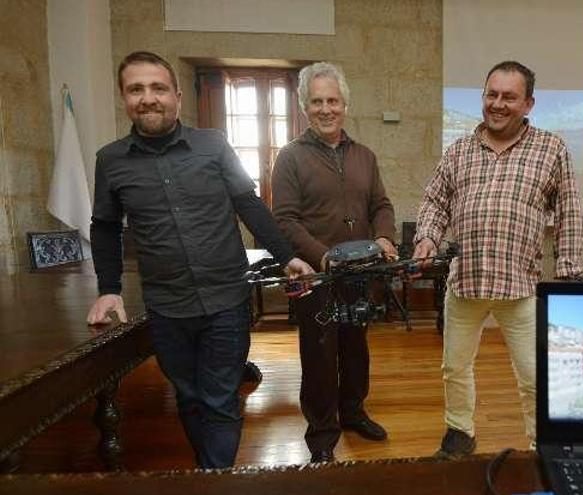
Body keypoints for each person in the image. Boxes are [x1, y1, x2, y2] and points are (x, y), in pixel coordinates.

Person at [86, 51, 314, 469]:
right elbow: (104, 227)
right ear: (124, 97)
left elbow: (249, 204)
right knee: (189, 398)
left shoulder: (214, 145)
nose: (147, 98)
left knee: (221, 398)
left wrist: (287, 258)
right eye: (136, 89)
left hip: (226, 300)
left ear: (176, 94)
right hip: (167, 307)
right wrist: (109, 290)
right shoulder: (110, 160)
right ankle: (211, 473)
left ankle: (214, 479)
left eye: (157, 87)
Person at [413, 60, 583, 459]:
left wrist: (568, 273)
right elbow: (435, 201)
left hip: (520, 287)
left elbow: (570, 211)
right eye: (492, 94)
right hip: (465, 283)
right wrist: (427, 238)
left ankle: (543, 444)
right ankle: (460, 433)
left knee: (534, 377)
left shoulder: (551, 149)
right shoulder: (459, 150)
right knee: (454, 369)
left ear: (528, 103)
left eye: (509, 96)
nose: (498, 104)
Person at [272, 62, 397, 463]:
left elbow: (381, 205)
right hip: (316, 278)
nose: (326, 109)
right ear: (304, 107)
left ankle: (354, 413)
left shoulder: (365, 155)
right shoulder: (290, 158)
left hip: (362, 278)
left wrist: (383, 237)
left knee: (356, 350)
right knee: (320, 355)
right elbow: (285, 220)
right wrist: (322, 256)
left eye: (333, 101)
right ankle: (322, 434)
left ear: (345, 104)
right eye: (317, 102)